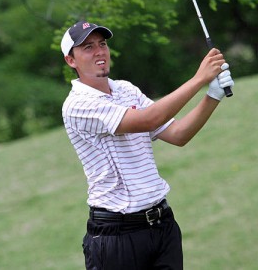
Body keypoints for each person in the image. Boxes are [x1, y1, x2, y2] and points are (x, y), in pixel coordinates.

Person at [60, 21, 234, 270]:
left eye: (102, 44)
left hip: (163, 225)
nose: (99, 51)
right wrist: (198, 79)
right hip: (117, 233)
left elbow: (178, 134)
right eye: (88, 47)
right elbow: (148, 119)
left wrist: (212, 95)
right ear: (71, 61)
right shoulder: (77, 105)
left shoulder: (126, 90)